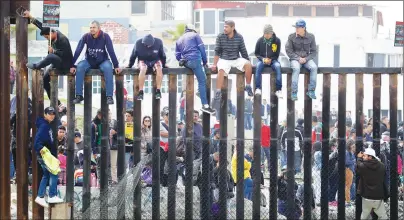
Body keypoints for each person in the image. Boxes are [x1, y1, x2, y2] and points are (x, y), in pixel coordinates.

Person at [23, 11, 73, 105]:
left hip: (66, 64)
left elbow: (66, 55)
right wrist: (30, 17)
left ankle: (36, 66)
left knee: (50, 56)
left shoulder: (63, 39)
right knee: (45, 80)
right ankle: (57, 103)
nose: (47, 39)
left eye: (47, 37)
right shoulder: (50, 33)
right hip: (57, 62)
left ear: (52, 33)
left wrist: (53, 51)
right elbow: (41, 26)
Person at [71, 20, 120, 105]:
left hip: (103, 61)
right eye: (90, 27)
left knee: (108, 68)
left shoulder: (105, 36)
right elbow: (78, 50)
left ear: (99, 28)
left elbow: (111, 51)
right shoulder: (86, 36)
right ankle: (79, 95)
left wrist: (116, 65)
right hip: (89, 61)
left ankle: (109, 97)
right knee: (80, 67)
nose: (92, 29)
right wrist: (72, 64)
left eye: (94, 27)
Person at [175, 24, 215, 114]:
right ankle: (205, 105)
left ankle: (199, 92)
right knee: (202, 81)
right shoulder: (195, 35)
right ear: (193, 29)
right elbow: (202, 49)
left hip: (186, 62)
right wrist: (205, 62)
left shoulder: (179, 39)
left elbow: (177, 55)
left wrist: (181, 60)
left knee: (200, 76)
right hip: (195, 60)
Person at [211, 20, 253, 99]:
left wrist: (248, 61)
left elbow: (243, 51)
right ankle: (218, 91)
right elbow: (217, 51)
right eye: (224, 27)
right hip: (224, 59)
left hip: (236, 59)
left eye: (226, 27)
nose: (224, 28)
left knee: (248, 65)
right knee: (221, 70)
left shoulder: (239, 37)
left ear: (232, 27)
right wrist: (214, 64)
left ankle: (248, 86)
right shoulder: (220, 36)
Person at [34, 107, 64, 207]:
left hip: (45, 154)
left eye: (53, 114)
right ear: (45, 114)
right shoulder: (44, 126)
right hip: (45, 154)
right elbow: (37, 142)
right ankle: (51, 195)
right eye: (50, 113)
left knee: (47, 175)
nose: (52, 115)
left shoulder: (46, 125)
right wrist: (41, 149)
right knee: (54, 173)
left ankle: (40, 196)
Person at [285, 19, 318, 101]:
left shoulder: (311, 37)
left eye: (298, 27)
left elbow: (314, 52)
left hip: (306, 59)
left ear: (304, 28)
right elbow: (288, 50)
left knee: (314, 67)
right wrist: (298, 58)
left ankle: (311, 90)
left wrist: (306, 59)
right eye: (296, 27)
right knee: (296, 69)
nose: (296, 29)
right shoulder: (291, 37)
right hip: (295, 59)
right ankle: (294, 92)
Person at [127, 34, 166, 100]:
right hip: (143, 60)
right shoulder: (138, 43)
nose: (147, 46)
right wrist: (130, 65)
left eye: (149, 45)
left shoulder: (159, 42)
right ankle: (141, 91)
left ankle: (158, 91)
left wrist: (164, 65)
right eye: (146, 45)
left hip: (155, 59)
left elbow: (162, 55)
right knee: (143, 69)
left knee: (159, 68)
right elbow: (133, 55)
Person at [357, 148, 388, 219]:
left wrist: (359, 158)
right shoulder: (382, 166)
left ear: (370, 157)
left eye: (364, 156)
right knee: (382, 216)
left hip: (366, 196)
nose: (363, 157)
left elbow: (359, 166)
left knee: (364, 216)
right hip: (378, 196)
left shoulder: (363, 166)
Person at [254, 24, 282, 98]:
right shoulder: (260, 40)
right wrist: (263, 59)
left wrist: (271, 59)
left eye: (268, 33)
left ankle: (279, 89)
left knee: (278, 66)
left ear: (271, 33)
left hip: (273, 60)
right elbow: (256, 53)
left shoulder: (277, 41)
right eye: (265, 33)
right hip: (263, 60)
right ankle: (258, 88)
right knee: (258, 66)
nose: (266, 35)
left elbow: (277, 54)